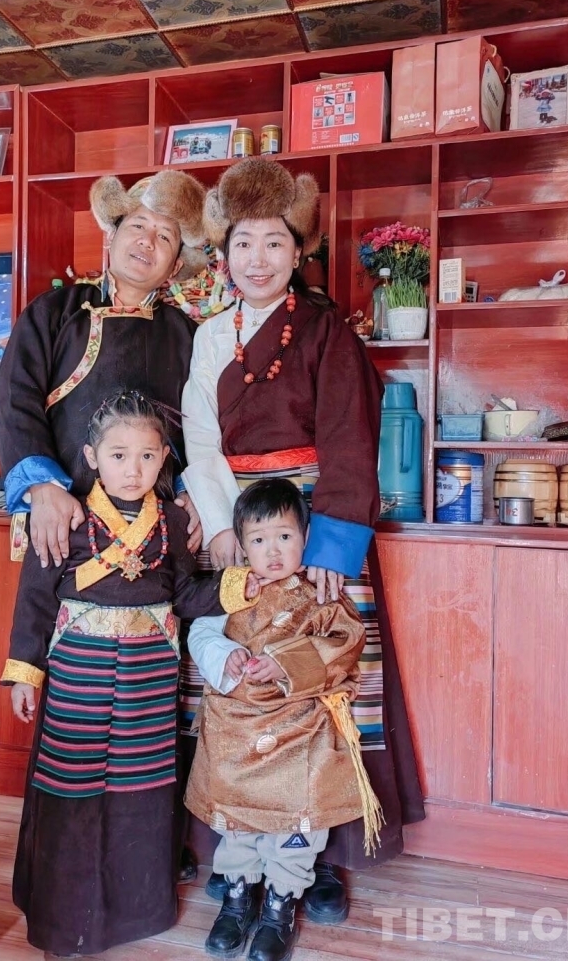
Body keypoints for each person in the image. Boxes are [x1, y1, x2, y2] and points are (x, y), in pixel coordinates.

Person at [180, 158, 425, 923]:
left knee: (326, 682)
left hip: (315, 526)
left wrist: (330, 550)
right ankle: (239, 838)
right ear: (223, 253)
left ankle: (322, 857)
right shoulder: (210, 336)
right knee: (241, 679)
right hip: (241, 526)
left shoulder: (326, 331)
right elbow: (200, 441)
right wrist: (223, 528)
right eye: (243, 243)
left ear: (298, 251)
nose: (257, 259)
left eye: (274, 243)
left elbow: (351, 438)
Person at [1, 391, 260, 958]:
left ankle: (139, 909)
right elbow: (35, 600)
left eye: (147, 456)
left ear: (164, 457)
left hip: (149, 678)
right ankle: (64, 918)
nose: (133, 469)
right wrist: (25, 673)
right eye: (118, 456)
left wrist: (239, 586)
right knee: (72, 787)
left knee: (141, 789)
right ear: (92, 456)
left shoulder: (171, 520)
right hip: (78, 675)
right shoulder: (66, 516)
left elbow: (185, 594)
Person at [186, 479, 382, 961]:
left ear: (306, 537)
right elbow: (202, 633)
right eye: (258, 539)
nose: (272, 551)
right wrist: (225, 655)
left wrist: (286, 664)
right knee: (237, 818)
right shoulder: (232, 591)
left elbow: (345, 643)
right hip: (238, 729)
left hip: (300, 731)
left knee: (297, 820)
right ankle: (238, 896)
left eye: (284, 536)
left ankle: (280, 903)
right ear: (241, 545)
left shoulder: (322, 595)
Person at [0, 168, 209, 570]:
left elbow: (202, 429)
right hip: (64, 519)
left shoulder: (188, 335)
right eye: (138, 225)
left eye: (164, 236)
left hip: (156, 531)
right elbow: (14, 400)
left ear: (175, 266)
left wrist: (197, 493)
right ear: (112, 236)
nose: (147, 241)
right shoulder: (54, 312)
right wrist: (42, 487)